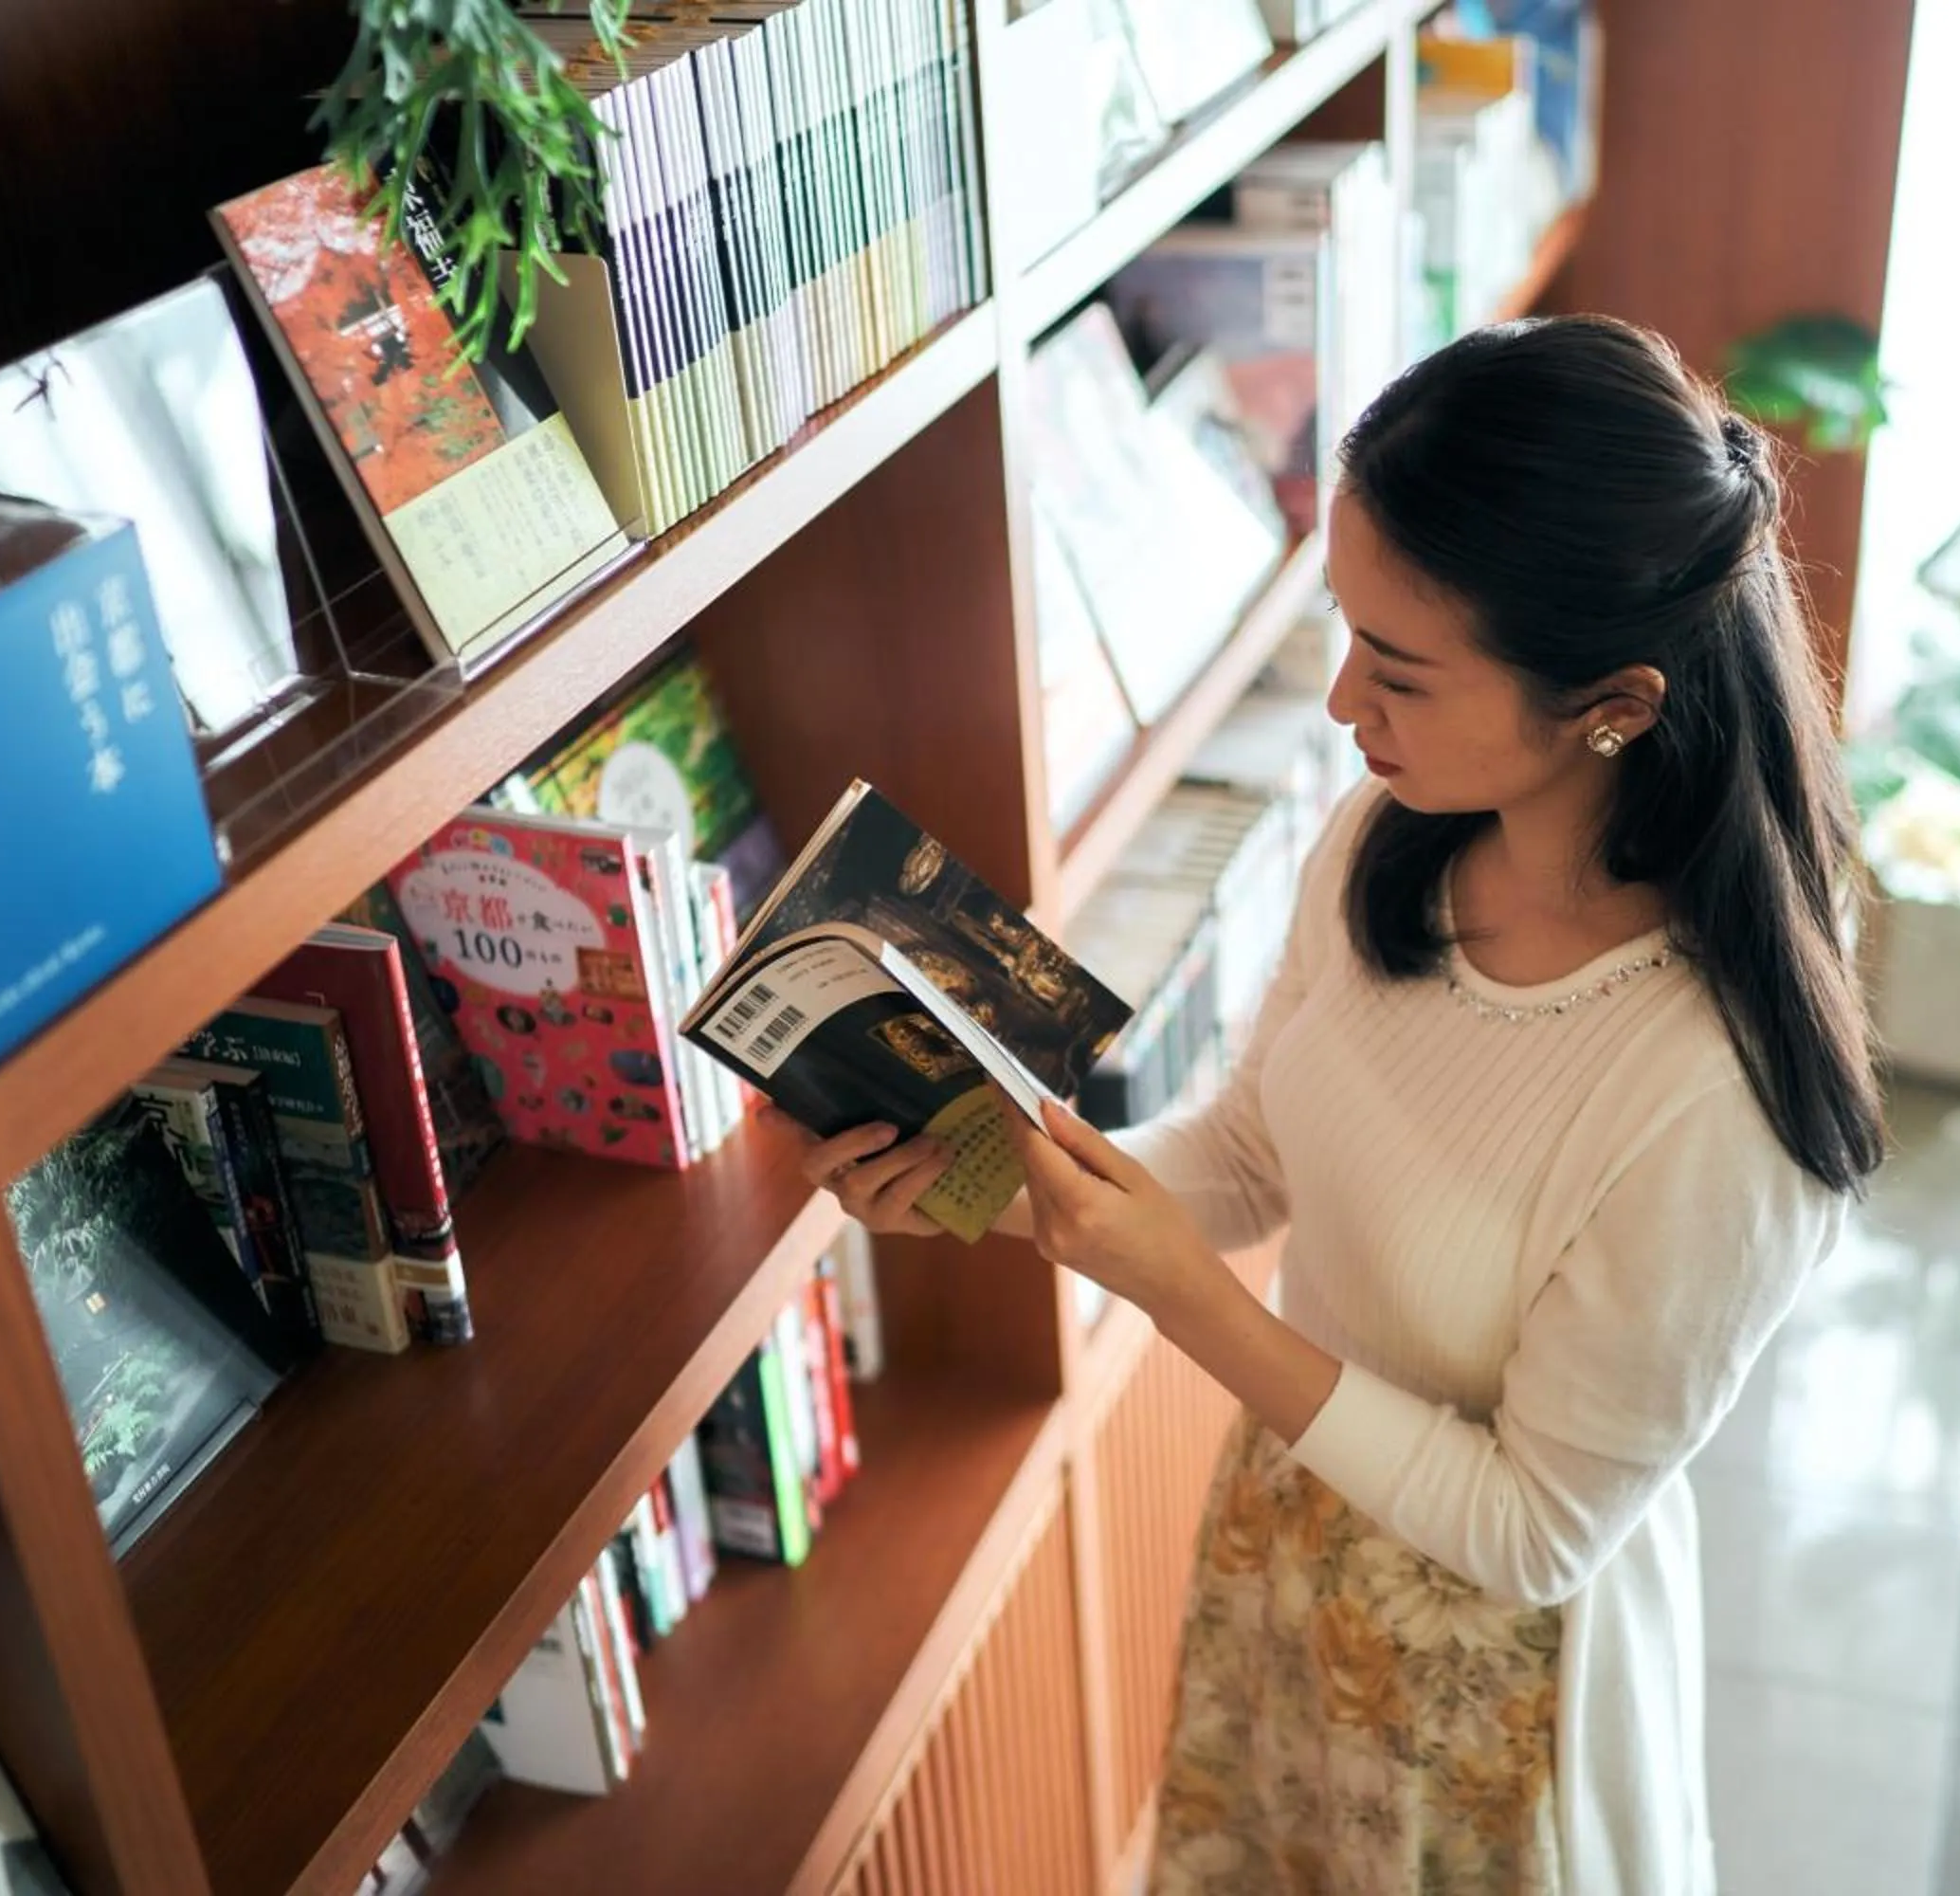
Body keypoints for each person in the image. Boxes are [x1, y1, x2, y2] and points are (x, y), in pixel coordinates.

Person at [796, 316, 1884, 1896]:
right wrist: (994, 1172)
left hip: (1491, 1708)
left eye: (1401, 670)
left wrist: (1175, 1296)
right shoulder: (1398, 836)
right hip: (1286, 1560)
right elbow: (1249, 1153)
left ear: (1617, 701)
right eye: (1344, 631)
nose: (1339, 706)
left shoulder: (1718, 1099)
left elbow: (1532, 1531)